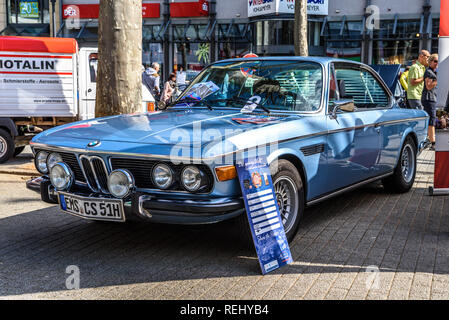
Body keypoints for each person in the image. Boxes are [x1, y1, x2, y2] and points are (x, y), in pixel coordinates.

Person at [422, 54, 438, 150]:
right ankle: (433, 143)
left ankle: (429, 140)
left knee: (431, 120)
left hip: (431, 98)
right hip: (429, 99)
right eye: (435, 61)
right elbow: (428, 86)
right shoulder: (428, 72)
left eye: (437, 61)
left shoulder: (432, 71)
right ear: (430, 61)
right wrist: (436, 80)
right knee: (431, 120)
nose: (436, 63)